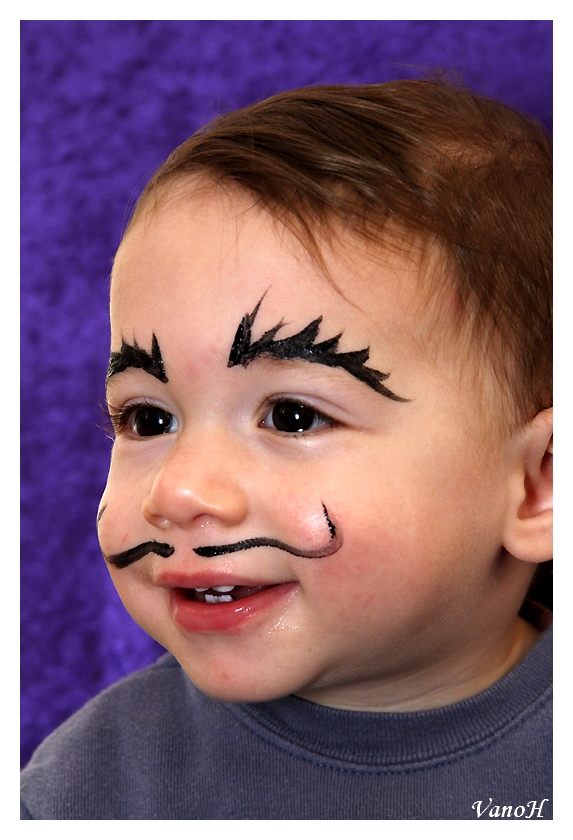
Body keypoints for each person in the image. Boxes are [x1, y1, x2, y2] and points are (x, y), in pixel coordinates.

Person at [21, 79, 552, 820]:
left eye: (293, 416)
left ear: (537, 484)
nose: (177, 492)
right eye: (148, 419)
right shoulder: (93, 791)